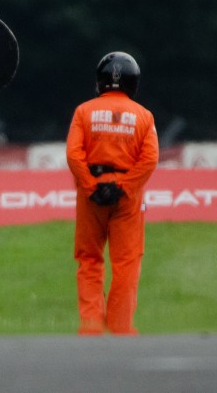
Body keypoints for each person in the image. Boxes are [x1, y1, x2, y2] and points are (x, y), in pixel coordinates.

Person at [65, 52, 159, 335]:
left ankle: (91, 325)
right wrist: (125, 187)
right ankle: (121, 327)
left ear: (100, 81)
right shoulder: (144, 116)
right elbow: (150, 158)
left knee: (89, 259)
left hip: (90, 192)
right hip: (126, 198)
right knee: (126, 263)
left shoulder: (84, 111)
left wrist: (90, 186)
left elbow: (73, 154)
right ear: (133, 83)